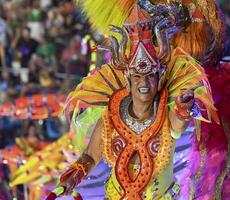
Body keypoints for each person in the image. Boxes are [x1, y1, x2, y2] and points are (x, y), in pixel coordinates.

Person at [50, 1, 217, 200]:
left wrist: (184, 104)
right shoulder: (110, 115)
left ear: (161, 78)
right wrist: (75, 176)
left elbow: (178, 124)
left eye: (150, 75)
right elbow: (91, 156)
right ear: (128, 81)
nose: (144, 82)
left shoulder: (166, 113)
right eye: (137, 77)